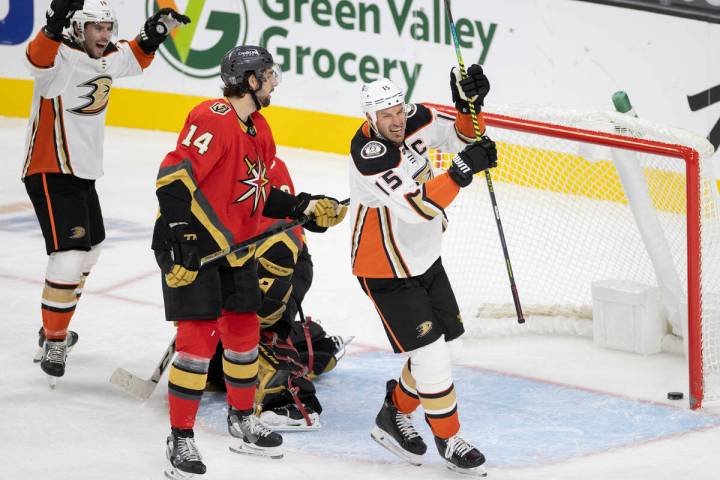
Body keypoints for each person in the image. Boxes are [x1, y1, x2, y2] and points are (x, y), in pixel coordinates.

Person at [152, 45, 347, 479]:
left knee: (242, 337)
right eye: (270, 74)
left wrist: (303, 207)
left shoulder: (260, 128)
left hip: (234, 248)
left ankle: (241, 420)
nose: (276, 80)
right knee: (197, 344)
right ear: (251, 80)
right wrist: (183, 240)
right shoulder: (212, 118)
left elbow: (257, 195)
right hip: (191, 245)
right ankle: (181, 438)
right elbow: (171, 181)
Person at [21, 0, 190, 381]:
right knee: (69, 254)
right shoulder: (59, 57)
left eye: (108, 27)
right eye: (96, 28)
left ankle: (52, 328)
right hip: (50, 167)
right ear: (77, 28)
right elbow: (35, 59)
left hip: (83, 173)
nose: (105, 35)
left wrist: (157, 32)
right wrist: (54, 21)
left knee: (91, 250)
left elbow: (134, 56)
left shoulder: (107, 56)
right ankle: (55, 339)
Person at [348, 66, 497, 476]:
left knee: (449, 349)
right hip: (385, 269)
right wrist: (462, 171)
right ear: (369, 119)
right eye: (385, 116)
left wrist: (470, 106)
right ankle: (449, 439)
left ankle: (392, 413)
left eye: (398, 110)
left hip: (426, 258)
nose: (396, 121)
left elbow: (463, 136)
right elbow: (416, 208)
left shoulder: (418, 118)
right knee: (431, 356)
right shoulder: (370, 155)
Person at [205, 154, 352, 431]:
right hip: (254, 263)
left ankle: (287, 399)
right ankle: (309, 346)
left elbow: (281, 239)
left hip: (279, 265)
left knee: (255, 326)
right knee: (223, 348)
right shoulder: (215, 163)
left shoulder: (265, 166)